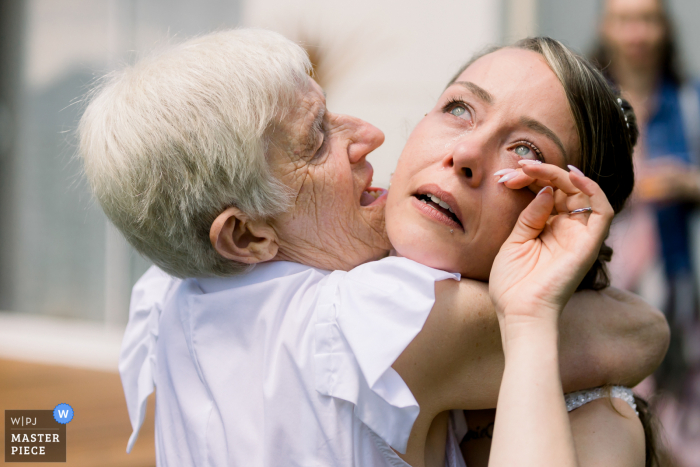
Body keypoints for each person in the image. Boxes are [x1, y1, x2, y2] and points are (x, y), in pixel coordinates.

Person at [78, 30, 667, 466]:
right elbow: (640, 333)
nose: (369, 136)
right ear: (245, 236)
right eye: (316, 138)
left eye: (527, 151)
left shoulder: (170, 293)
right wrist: (536, 306)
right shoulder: (372, 316)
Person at [593, 0, 700, 398]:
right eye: (624, 21)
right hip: (600, 277)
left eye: (647, 21)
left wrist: (686, 183)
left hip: (674, 279)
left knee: (672, 408)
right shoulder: (589, 101)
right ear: (605, 27)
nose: (636, 34)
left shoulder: (690, 102)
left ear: (664, 28)